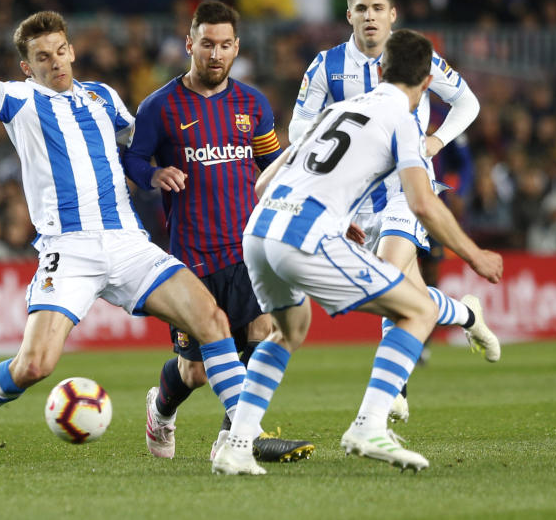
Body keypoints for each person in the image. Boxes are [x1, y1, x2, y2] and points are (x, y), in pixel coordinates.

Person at [0, 0, 251, 465]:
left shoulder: (102, 97)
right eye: (42, 56)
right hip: (68, 250)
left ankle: (244, 434)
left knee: (213, 321)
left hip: (127, 242)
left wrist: (171, 168)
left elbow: (140, 144)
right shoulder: (20, 101)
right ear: (26, 66)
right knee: (35, 365)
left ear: (72, 51)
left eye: (59, 51)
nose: (53, 62)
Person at [211, 30, 504, 475]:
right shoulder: (405, 122)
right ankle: (368, 426)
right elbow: (423, 203)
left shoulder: (338, 108)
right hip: (305, 237)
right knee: (417, 311)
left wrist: (332, 207)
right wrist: (475, 255)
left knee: (288, 331)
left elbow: (262, 183)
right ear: (427, 83)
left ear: (380, 71)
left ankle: (237, 444)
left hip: (260, 231)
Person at [288, 0, 497, 422]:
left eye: (378, 8)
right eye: (361, 8)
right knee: (408, 296)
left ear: (392, 14)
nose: (369, 17)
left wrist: (437, 142)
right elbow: (299, 130)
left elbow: (468, 103)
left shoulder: (415, 59)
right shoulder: (325, 66)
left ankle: (391, 395)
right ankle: (464, 313)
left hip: (406, 189)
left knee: (384, 274)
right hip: (354, 200)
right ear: (348, 15)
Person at [124, 1, 313, 463]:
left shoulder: (253, 105)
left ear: (236, 48)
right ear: (190, 44)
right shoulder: (160, 107)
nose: (215, 54)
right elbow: (132, 158)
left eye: (225, 45)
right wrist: (154, 175)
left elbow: (273, 165)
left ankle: (235, 437)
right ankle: (160, 408)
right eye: (207, 43)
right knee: (195, 371)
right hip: (191, 257)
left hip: (246, 249)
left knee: (263, 333)